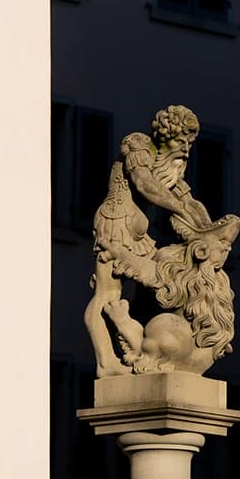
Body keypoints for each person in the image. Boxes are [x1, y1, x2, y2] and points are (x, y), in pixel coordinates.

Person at [84, 105, 212, 377]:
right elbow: (144, 184)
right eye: (181, 141)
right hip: (116, 222)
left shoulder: (171, 164)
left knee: (150, 291)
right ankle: (106, 363)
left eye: (189, 143)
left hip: (141, 233)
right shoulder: (138, 145)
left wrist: (207, 230)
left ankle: (141, 354)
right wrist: (180, 209)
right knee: (106, 295)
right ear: (166, 136)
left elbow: (187, 199)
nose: (186, 149)